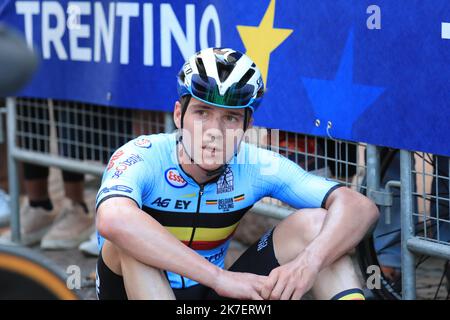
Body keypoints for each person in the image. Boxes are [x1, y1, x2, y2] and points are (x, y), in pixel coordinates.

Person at [95, 47, 379, 300]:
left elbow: (360, 207)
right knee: (127, 238)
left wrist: (309, 262)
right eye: (202, 113)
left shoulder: (256, 165)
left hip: (209, 299)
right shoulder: (142, 154)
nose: (214, 132)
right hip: (133, 291)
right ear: (179, 114)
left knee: (318, 225)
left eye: (230, 118)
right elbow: (113, 220)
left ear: (247, 125)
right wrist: (220, 277)